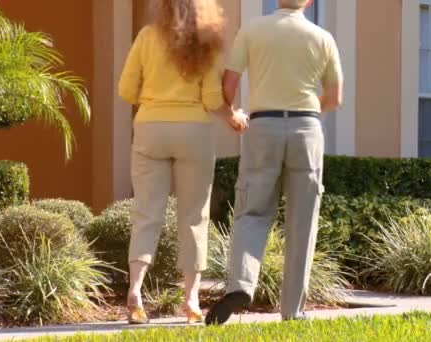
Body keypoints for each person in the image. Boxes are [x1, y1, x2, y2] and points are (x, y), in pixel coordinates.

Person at [205, 0, 343, 325]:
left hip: (262, 127)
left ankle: (240, 285)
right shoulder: (322, 38)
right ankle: (293, 312)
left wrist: (235, 111)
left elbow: (227, 87)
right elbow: (334, 98)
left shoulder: (252, 29)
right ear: (308, 1)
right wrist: (306, 114)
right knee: (302, 221)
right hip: (307, 129)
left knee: (252, 211)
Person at [118, 0, 248, 325]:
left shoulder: (147, 36)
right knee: (193, 216)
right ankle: (190, 300)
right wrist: (234, 117)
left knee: (146, 213)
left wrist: (154, 99)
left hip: (149, 127)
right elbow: (212, 100)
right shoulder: (208, 43)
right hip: (194, 131)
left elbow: (125, 89)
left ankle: (135, 290)